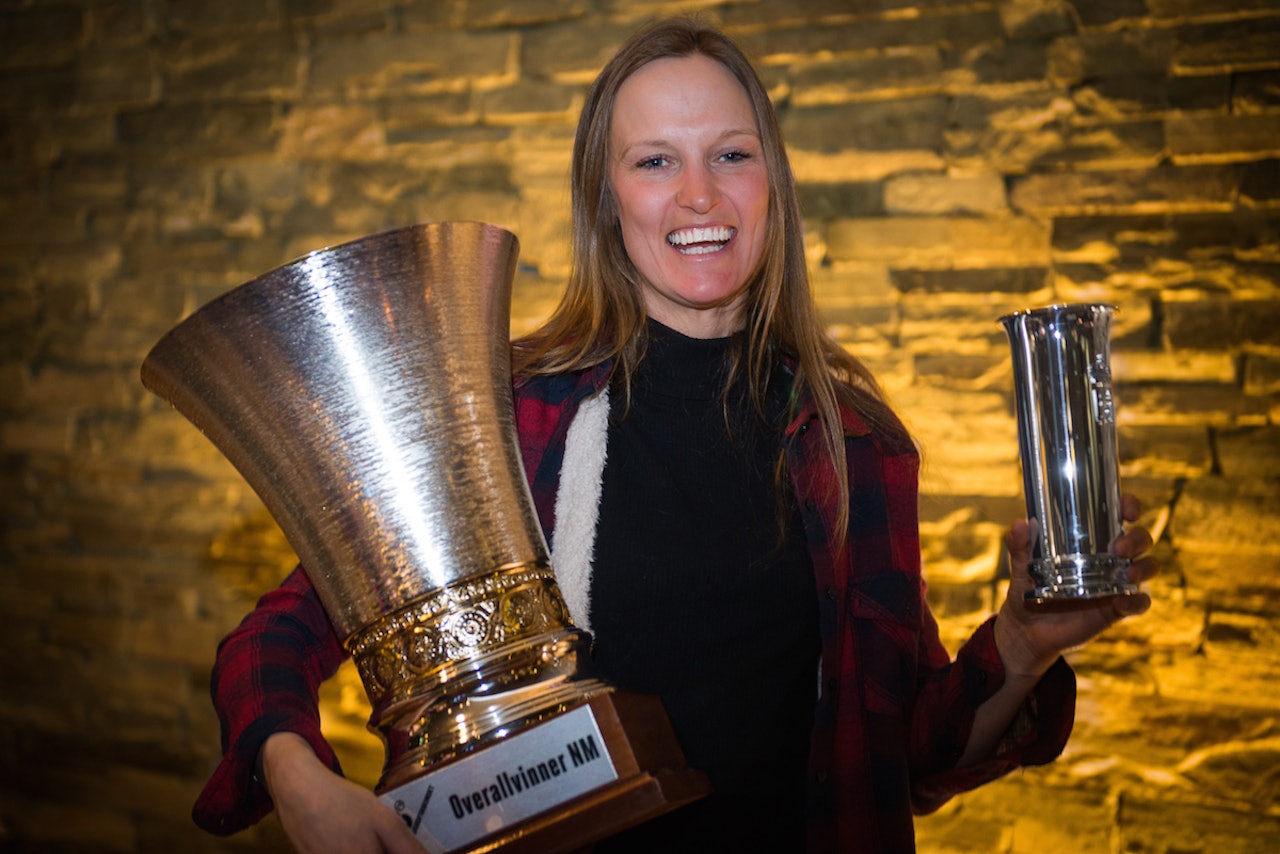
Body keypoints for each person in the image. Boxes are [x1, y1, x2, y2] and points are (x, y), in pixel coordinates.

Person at [190, 17, 1156, 854]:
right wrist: (298, 778)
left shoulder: (857, 445)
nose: (699, 196)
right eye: (656, 161)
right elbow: (277, 632)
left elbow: (899, 759)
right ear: (608, 201)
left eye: (731, 155)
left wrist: (1024, 646)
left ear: (772, 184)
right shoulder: (508, 421)